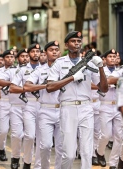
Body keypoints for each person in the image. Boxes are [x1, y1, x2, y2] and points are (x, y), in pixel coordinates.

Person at [46, 31, 108, 169]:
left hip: (86, 107)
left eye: (79, 41)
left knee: (87, 152)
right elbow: (49, 87)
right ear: (67, 44)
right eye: (73, 41)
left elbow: (104, 88)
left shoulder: (89, 63)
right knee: (68, 154)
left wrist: (101, 68)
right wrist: (72, 78)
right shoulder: (59, 63)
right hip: (68, 108)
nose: (77, 44)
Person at [24, 41, 62, 169]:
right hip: (45, 110)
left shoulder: (65, 69)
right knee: (45, 145)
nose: (55, 52)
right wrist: (46, 86)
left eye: (57, 49)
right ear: (45, 54)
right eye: (51, 50)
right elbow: (27, 86)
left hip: (63, 110)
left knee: (62, 147)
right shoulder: (40, 70)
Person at [9, 43, 42, 169]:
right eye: (32, 52)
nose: (35, 54)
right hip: (22, 104)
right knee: (19, 135)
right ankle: (15, 156)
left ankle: (31, 163)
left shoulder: (45, 69)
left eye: (38, 52)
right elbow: (12, 87)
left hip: (41, 105)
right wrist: (27, 89)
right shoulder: (22, 70)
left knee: (38, 137)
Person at [94, 49, 121, 169]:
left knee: (120, 137)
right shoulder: (100, 71)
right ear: (104, 59)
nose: (113, 58)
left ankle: (114, 163)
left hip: (118, 106)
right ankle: (99, 153)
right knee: (105, 135)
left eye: (115, 56)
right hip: (105, 104)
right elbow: (98, 85)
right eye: (110, 56)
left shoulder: (119, 70)